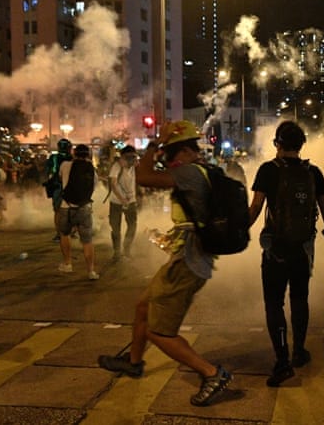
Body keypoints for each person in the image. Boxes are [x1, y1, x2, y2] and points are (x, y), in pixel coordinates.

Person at [97, 120, 233, 407]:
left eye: (171, 155)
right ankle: (133, 362)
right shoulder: (201, 170)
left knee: (159, 332)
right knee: (143, 306)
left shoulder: (191, 172)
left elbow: (143, 177)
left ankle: (212, 373)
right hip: (184, 256)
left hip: (187, 262)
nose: (168, 161)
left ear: (183, 151)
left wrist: (155, 145)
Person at [248, 120, 324, 387]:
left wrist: (235, 233)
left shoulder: (268, 170)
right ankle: (299, 351)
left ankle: (282, 362)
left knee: (274, 303)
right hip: (303, 250)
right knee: (300, 299)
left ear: (277, 144)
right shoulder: (314, 172)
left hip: (275, 250)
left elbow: (255, 208)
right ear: (301, 145)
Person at [57, 144, 98, 280]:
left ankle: (68, 263)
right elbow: (93, 187)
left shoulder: (65, 165)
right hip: (84, 208)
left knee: (64, 234)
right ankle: (91, 271)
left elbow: (60, 178)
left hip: (66, 207)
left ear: (74, 153)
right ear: (88, 155)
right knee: (87, 241)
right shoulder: (91, 169)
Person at [108, 145, 138, 261]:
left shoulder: (134, 167)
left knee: (132, 226)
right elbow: (113, 184)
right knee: (116, 227)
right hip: (116, 202)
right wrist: (122, 199)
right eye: (129, 157)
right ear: (122, 158)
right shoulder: (116, 166)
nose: (131, 160)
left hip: (131, 201)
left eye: (133, 157)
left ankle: (126, 250)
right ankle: (117, 252)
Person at [45, 138, 73, 241]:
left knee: (58, 211)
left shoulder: (53, 158)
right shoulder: (72, 158)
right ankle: (69, 232)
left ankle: (59, 234)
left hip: (57, 187)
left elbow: (48, 172)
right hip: (69, 188)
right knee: (71, 210)